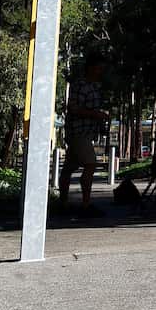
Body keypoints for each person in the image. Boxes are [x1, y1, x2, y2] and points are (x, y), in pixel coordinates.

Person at [58, 52, 108, 216]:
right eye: (99, 69)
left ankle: (62, 203)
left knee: (68, 168)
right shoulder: (80, 85)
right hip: (78, 132)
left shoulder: (95, 87)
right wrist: (95, 114)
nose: (101, 72)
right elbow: (74, 108)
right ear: (91, 68)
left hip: (88, 132)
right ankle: (85, 204)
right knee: (90, 164)